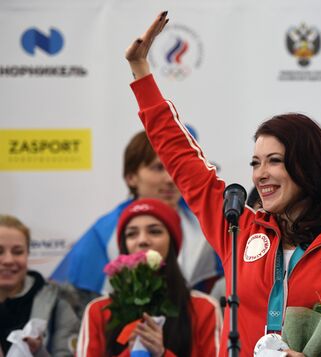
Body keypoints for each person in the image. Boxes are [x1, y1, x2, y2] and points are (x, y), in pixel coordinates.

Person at [124, 11, 321, 357]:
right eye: (255, 163)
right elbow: (182, 159)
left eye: (275, 161)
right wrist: (141, 72)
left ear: (309, 167)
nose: (260, 174)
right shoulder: (237, 230)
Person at [51, 130, 223, 315]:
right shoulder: (104, 233)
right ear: (131, 177)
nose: (170, 179)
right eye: (158, 168)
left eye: (175, 167)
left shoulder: (207, 224)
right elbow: (77, 303)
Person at [77, 198, 222, 357]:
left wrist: (162, 354)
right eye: (132, 234)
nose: (143, 241)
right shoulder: (98, 311)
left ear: (172, 243)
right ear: (124, 246)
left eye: (154, 231)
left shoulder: (203, 309)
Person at [0, 215, 79, 356]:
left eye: (17, 252)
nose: (8, 260)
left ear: (28, 253)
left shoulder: (59, 302)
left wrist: (39, 352)